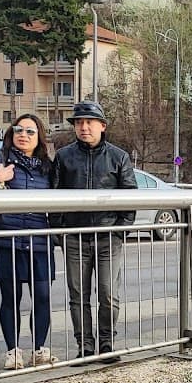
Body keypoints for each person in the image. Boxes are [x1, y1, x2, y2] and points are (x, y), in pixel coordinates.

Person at [0, 114, 57, 369]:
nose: (23, 135)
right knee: (10, 297)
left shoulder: (47, 166)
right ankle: (12, 351)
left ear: (39, 137)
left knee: (42, 295)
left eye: (30, 132)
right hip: (7, 240)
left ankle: (39, 349)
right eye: (18, 130)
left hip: (39, 240)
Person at [51, 100, 136, 362]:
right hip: (75, 237)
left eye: (89, 122)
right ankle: (85, 345)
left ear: (102, 125)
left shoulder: (118, 156)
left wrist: (121, 230)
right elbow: (53, 197)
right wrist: (59, 232)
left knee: (108, 293)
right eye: (79, 122)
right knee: (78, 295)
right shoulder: (64, 157)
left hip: (108, 236)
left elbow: (130, 197)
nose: (84, 127)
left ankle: (107, 342)